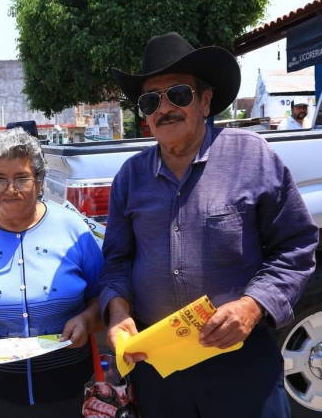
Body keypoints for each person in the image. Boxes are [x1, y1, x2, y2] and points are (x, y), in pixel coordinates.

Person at [101, 32, 318, 417]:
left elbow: (296, 246)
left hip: (241, 363)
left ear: (204, 101)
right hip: (158, 369)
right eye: (151, 100)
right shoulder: (130, 177)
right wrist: (118, 314)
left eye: (179, 94)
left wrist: (253, 306)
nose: (164, 108)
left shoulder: (252, 157)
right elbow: (116, 261)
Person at [0, 128, 104, 418]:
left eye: (21, 178)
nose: (10, 189)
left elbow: (101, 297)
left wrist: (86, 318)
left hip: (71, 389)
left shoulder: (74, 229)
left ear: (40, 181)